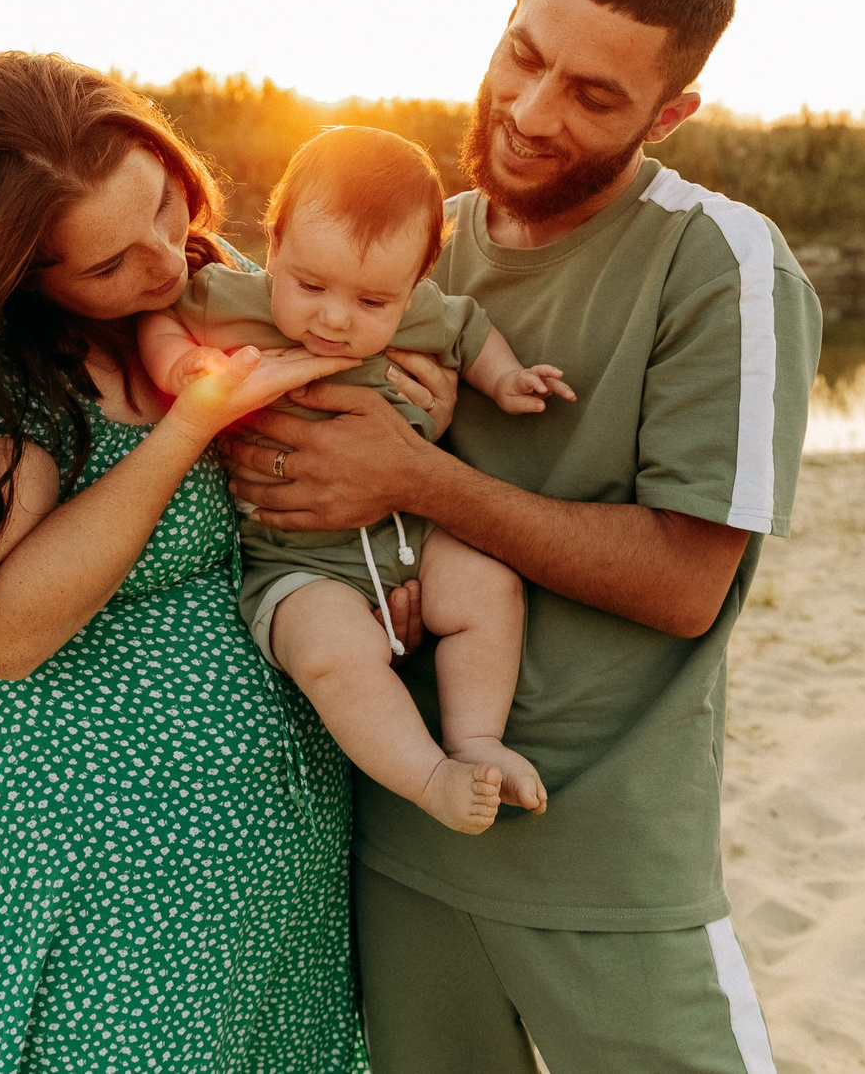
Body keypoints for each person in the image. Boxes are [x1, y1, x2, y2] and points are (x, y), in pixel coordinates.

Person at [223, 0, 825, 1074]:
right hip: (396, 844)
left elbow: (684, 581)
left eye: (594, 95)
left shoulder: (722, 264)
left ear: (672, 112)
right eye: (524, 55)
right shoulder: (403, 246)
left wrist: (417, 476)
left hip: (606, 867)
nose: (532, 110)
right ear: (503, 19)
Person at [0, 52, 371, 1073]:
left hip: (262, 856)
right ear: (13, 278)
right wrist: (187, 427)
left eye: (161, 203)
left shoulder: (200, 287)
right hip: (79, 870)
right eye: (109, 264)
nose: (162, 256)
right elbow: (2, 629)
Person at [142, 126, 572, 835]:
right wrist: (176, 367)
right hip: (295, 560)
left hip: (411, 532)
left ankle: (474, 741)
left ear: (414, 285)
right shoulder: (232, 298)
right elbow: (163, 314)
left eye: (374, 302)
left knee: (489, 586)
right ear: (274, 247)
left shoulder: (423, 311)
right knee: (335, 655)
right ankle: (430, 777)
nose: (336, 318)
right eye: (310, 286)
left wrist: (505, 377)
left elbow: (469, 331)